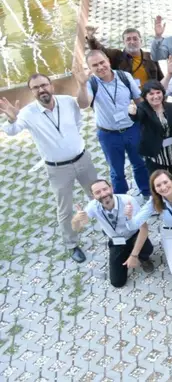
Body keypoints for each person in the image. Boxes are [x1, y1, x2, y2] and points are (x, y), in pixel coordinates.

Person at [1, 73, 99, 263]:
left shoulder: (67, 102)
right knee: (65, 209)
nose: (41, 90)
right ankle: (72, 244)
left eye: (44, 85)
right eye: (36, 87)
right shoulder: (28, 113)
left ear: (51, 85)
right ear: (32, 91)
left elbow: (78, 120)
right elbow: (13, 131)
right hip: (57, 169)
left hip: (82, 159)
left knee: (98, 195)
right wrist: (12, 119)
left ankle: (112, 227)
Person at [76, 50, 150, 199]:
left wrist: (146, 122)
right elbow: (83, 104)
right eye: (95, 65)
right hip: (109, 134)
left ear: (108, 61)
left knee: (140, 163)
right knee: (116, 171)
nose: (100, 67)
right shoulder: (91, 83)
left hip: (131, 129)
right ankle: (120, 200)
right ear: (90, 68)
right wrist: (82, 85)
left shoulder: (124, 77)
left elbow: (138, 100)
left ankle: (147, 193)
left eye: (102, 62)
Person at [71, 179, 154, 287]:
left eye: (105, 189)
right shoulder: (93, 206)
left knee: (147, 249)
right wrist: (76, 220)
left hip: (134, 235)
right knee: (117, 282)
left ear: (111, 188)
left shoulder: (127, 200)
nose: (103, 194)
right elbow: (77, 228)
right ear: (93, 196)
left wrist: (134, 255)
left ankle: (143, 258)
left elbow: (144, 228)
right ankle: (127, 256)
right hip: (117, 241)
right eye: (98, 192)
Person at [127, 80, 172, 182]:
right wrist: (133, 113)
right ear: (145, 96)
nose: (156, 96)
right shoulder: (142, 108)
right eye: (151, 94)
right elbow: (138, 117)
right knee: (159, 182)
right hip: (156, 155)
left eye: (158, 92)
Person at [85, 27, 163, 87]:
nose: (132, 42)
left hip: (151, 98)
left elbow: (161, 79)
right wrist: (91, 38)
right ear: (124, 42)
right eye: (128, 39)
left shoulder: (150, 56)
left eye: (135, 39)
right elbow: (100, 51)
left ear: (141, 41)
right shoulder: (116, 56)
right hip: (129, 101)